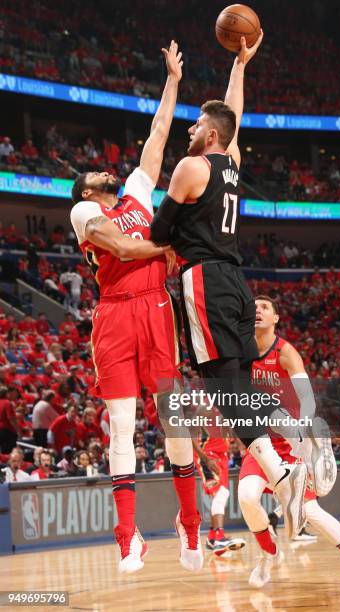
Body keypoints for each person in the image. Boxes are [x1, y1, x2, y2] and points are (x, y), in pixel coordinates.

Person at [151, 34, 309, 539]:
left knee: (223, 385)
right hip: (236, 283)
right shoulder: (231, 163)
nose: (191, 128)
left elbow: (157, 232)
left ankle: (279, 470)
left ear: (210, 137)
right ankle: (279, 461)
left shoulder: (190, 166)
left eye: (197, 124)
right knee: (236, 381)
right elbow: (233, 114)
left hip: (204, 281)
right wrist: (239, 66)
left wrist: (167, 239)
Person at [70, 42, 202, 574]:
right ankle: (127, 536)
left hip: (154, 308)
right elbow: (123, 250)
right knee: (121, 423)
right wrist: (167, 249)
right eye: (92, 174)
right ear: (84, 191)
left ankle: (190, 525)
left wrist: (171, 81)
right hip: (116, 314)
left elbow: (157, 136)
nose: (102, 173)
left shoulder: (137, 192)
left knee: (173, 421)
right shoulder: (83, 211)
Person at [237, 295, 340, 590]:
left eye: (265, 307)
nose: (258, 311)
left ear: (276, 318)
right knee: (246, 497)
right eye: (254, 308)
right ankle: (268, 553)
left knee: (311, 512)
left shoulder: (285, 352)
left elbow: (307, 400)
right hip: (261, 441)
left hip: (289, 441)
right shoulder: (243, 352)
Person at [193, 432, 245, 555]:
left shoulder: (225, 414)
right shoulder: (200, 413)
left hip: (222, 455)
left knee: (222, 493)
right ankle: (219, 538)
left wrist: (241, 447)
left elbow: (231, 428)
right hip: (207, 455)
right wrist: (204, 458)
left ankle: (212, 538)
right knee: (220, 494)